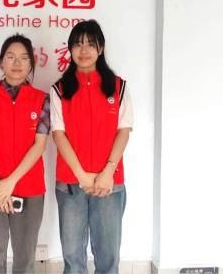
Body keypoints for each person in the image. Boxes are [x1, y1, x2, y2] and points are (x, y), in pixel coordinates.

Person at [50, 20, 134, 274]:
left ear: (101, 47)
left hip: (109, 183)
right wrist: (81, 175)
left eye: (90, 44)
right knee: (73, 257)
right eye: (77, 44)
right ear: (70, 49)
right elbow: (58, 135)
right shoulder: (60, 89)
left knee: (108, 257)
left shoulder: (118, 87)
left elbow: (124, 131)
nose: (84, 50)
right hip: (71, 184)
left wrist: (107, 171)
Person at [0, 34, 50, 274]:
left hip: (29, 188)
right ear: (1, 62)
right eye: (10, 57)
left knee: (25, 260)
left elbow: (39, 145)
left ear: (31, 64)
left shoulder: (42, 99)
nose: (17, 63)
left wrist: (10, 183)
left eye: (24, 58)